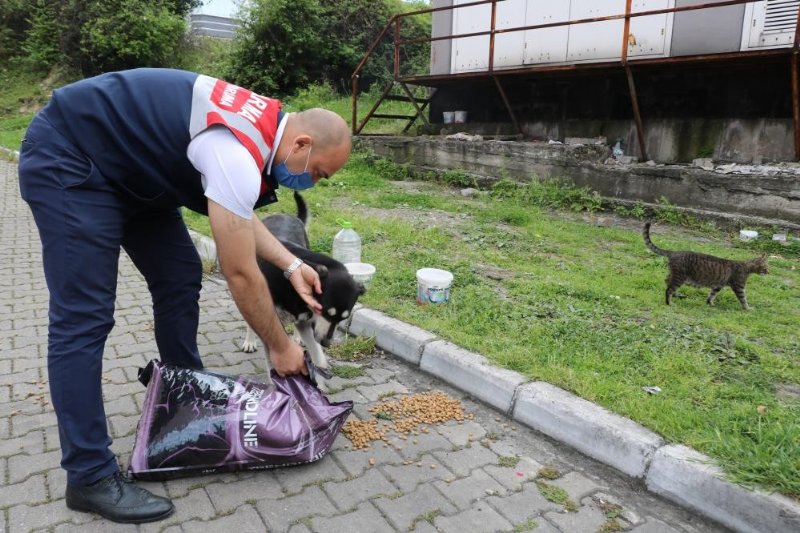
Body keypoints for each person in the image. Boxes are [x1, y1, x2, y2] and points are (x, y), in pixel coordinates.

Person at [17, 68, 352, 524]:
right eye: (316, 173)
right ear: (301, 145)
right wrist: (279, 346)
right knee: (84, 316)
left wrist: (293, 265)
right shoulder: (236, 148)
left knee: (179, 273)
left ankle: (188, 399)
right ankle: (89, 475)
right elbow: (239, 271)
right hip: (73, 156)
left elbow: (237, 209)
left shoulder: (260, 132)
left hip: (134, 172)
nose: (312, 183)